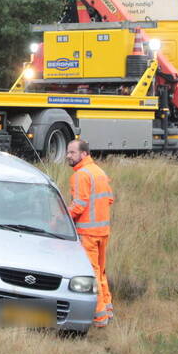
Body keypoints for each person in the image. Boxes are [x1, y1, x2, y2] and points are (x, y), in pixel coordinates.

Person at [65, 138, 114, 328]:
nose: (68, 156)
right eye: (68, 152)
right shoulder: (99, 172)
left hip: (88, 234)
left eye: (72, 152)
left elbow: (79, 205)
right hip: (103, 231)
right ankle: (108, 309)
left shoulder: (80, 175)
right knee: (101, 273)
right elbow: (109, 199)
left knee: (92, 275)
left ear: (84, 154)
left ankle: (100, 318)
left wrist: (61, 217)